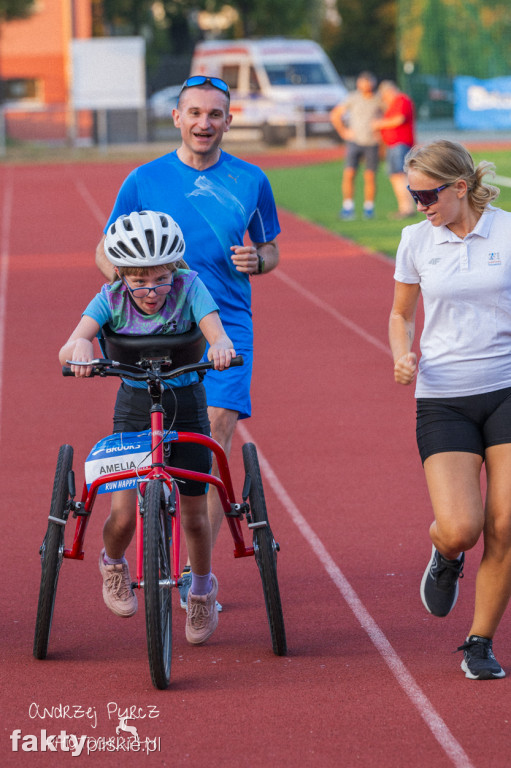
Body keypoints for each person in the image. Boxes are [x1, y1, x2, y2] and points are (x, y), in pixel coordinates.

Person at [94, 76, 280, 610]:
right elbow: (106, 249)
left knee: (210, 439)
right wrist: (124, 288)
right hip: (155, 328)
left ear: (228, 120)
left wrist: (258, 260)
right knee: (149, 440)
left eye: (215, 114)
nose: (204, 123)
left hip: (224, 324)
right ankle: (143, 525)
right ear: (177, 117)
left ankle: (194, 580)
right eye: (194, 112)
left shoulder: (251, 180)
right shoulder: (143, 180)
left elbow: (269, 250)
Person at [60, 210, 236, 645]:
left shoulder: (190, 286)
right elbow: (74, 341)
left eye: (159, 278)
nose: (150, 290)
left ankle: (199, 589)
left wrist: (221, 345)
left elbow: (215, 331)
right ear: (120, 273)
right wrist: (80, 345)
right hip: (135, 405)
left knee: (195, 516)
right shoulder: (109, 297)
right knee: (122, 515)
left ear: (174, 268)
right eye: (138, 281)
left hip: (187, 401)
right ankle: (114, 564)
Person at [389, 139, 511, 680]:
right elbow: (400, 314)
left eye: (427, 195)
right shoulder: (416, 240)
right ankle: (446, 554)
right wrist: (401, 352)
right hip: (443, 398)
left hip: (506, 387)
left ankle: (479, 642)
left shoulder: (506, 232)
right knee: (462, 526)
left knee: (506, 523)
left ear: (459, 187)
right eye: (413, 195)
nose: (420, 206)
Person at [329, 71, 382, 220]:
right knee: (349, 174)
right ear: (359, 84)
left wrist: (381, 131)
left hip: (371, 142)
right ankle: (348, 207)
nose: (366, 86)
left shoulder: (378, 100)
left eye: (368, 83)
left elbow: (387, 115)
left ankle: (369, 208)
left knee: (370, 176)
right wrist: (343, 131)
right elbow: (335, 114)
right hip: (355, 142)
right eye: (363, 83)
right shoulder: (352, 98)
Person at [372, 81, 416, 220]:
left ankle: (407, 208)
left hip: (400, 143)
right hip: (392, 145)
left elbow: (399, 119)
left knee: (400, 175)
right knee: (395, 176)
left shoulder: (402, 100)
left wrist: (379, 124)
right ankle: (403, 207)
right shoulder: (392, 105)